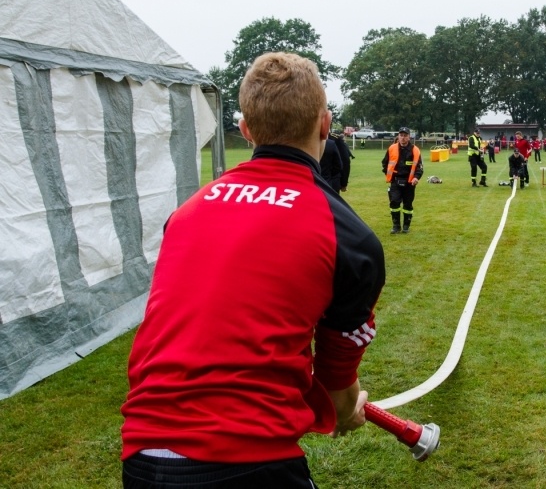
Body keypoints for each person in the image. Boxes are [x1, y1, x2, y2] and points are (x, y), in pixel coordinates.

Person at [120, 52, 385, 488]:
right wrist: (346, 410)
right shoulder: (350, 238)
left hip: (143, 456)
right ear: (325, 124)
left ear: (245, 130)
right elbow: (337, 392)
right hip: (249, 458)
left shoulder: (185, 214)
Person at [383, 126, 423, 232]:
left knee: (408, 204)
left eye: (405, 135)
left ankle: (406, 226)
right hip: (395, 181)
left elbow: (419, 167)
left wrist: (416, 178)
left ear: (409, 137)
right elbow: (385, 163)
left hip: (409, 182)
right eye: (401, 135)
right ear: (398, 136)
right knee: (394, 202)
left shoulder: (415, 150)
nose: (403, 138)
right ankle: (396, 226)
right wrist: (389, 175)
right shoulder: (391, 148)